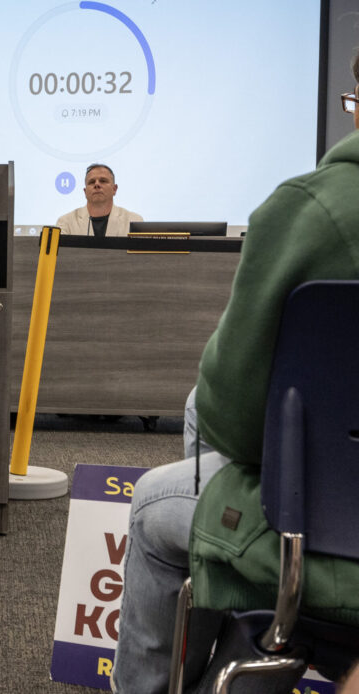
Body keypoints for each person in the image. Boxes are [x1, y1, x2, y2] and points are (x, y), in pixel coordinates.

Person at [111, 57, 359, 693]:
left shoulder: (311, 209)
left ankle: (231, 659)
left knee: (153, 504)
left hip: (334, 552)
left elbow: (238, 424)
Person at [56, 164, 142, 237]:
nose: (97, 184)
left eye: (103, 181)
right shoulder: (66, 222)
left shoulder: (133, 221)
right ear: (85, 192)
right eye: (92, 182)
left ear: (114, 189)